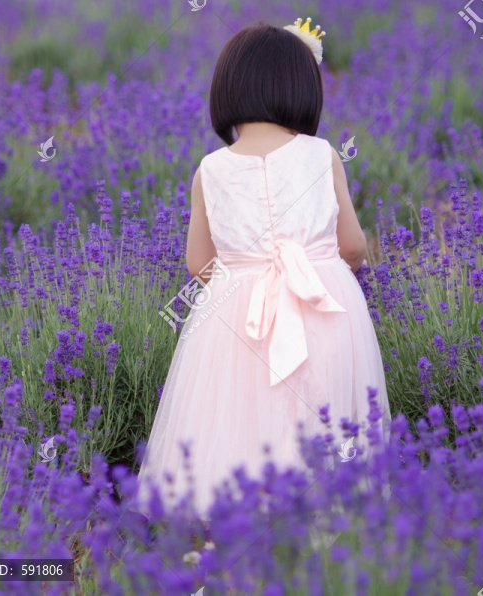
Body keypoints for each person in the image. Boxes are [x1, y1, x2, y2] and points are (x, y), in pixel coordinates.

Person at [134, 20, 391, 525]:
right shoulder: (322, 156)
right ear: (302, 89)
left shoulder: (211, 170)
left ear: (227, 89)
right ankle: (326, 516)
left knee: (239, 415)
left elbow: (198, 263)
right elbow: (354, 247)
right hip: (323, 300)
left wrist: (241, 280)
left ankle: (243, 518)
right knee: (324, 405)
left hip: (238, 314)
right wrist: (324, 265)